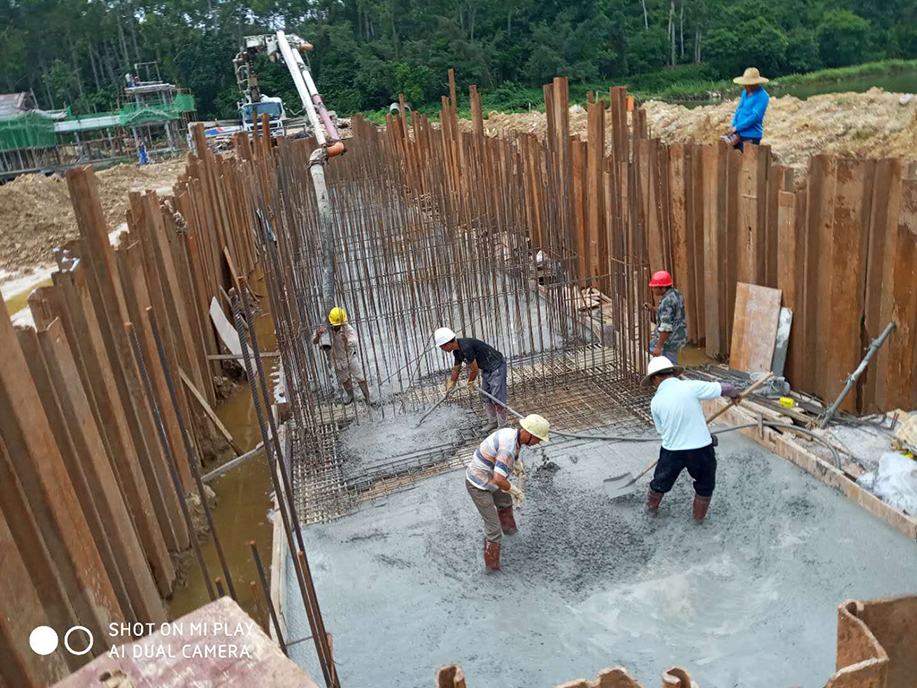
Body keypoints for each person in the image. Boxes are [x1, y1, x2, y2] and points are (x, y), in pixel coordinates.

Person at [641, 357, 740, 522]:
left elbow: (663, 431)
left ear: (656, 378)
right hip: (701, 449)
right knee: (705, 485)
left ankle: (650, 512)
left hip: (672, 452)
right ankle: (698, 520)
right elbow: (728, 388)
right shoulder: (691, 386)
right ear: (672, 373)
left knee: (660, 482)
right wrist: (735, 396)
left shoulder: (655, 402)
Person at [465, 414, 550, 570]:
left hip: (489, 475)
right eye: (538, 438)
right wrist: (515, 491)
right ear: (529, 434)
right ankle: (492, 569)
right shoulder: (508, 448)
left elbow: (504, 459)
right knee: (493, 529)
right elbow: (499, 479)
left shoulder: (512, 434)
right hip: (478, 483)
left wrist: (516, 464)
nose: (538, 442)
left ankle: (510, 531)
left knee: (504, 501)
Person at [435, 327, 507, 432]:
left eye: (442, 347)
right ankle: (493, 422)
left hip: (496, 367)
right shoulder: (457, 351)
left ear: (447, 344)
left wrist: (470, 381)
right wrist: (452, 383)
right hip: (486, 369)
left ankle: (503, 427)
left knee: (497, 398)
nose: (443, 350)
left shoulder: (466, 347)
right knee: (486, 396)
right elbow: (456, 368)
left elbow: (474, 369)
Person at [313, 306, 373, 405]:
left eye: (339, 324)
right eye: (335, 324)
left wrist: (347, 340)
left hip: (350, 357)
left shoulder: (347, 327)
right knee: (345, 380)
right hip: (337, 359)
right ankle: (350, 395)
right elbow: (314, 342)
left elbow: (354, 341)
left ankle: (367, 397)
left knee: (360, 378)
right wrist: (318, 334)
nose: (337, 326)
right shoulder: (325, 329)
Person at [646, 270, 686, 365]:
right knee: (651, 345)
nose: (653, 290)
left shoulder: (666, 302)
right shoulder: (677, 294)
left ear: (663, 288)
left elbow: (666, 328)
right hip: (679, 334)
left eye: (655, 288)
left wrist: (659, 347)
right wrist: (652, 308)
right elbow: (670, 312)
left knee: (669, 364)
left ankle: (671, 376)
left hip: (669, 340)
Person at [727, 67, 770, 152]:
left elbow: (755, 117)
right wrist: (733, 126)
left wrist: (737, 127)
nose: (745, 86)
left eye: (748, 84)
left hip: (751, 135)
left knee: (748, 160)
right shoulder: (744, 93)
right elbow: (739, 110)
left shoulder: (762, 96)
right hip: (739, 133)